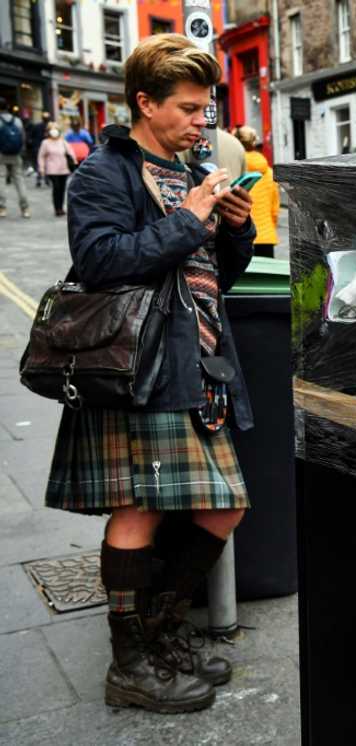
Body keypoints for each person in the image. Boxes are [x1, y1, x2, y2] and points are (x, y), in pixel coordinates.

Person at [45, 33, 257, 714]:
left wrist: (233, 228)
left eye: (208, 109)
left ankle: (161, 633)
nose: (204, 122)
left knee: (225, 504)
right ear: (145, 102)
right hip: (138, 366)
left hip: (196, 359)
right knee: (138, 508)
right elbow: (100, 260)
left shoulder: (191, 172)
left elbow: (211, 276)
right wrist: (191, 220)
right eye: (191, 108)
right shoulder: (103, 174)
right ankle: (131, 663)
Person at [234, 125, 280, 257]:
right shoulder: (270, 172)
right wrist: (270, 227)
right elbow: (275, 209)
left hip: (242, 236)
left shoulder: (237, 169)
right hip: (266, 237)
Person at [37, 123, 77, 216]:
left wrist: (74, 163)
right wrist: (41, 168)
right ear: (48, 131)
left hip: (64, 169)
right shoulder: (45, 143)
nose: (54, 131)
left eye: (56, 129)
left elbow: (71, 153)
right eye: (52, 129)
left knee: (62, 189)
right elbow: (41, 156)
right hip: (52, 170)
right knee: (56, 188)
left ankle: (61, 208)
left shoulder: (63, 142)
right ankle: (57, 208)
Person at [0, 98, 30, 218]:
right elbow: (23, 137)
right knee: (19, 180)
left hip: (1, 154)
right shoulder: (17, 120)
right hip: (16, 154)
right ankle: (25, 208)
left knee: (1, 179)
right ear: (7, 107)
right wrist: (20, 150)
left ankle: (2, 208)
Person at [27, 111, 51, 187]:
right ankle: (46, 179)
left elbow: (30, 136)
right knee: (46, 164)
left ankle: (39, 179)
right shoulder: (50, 127)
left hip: (38, 147)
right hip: (46, 148)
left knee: (39, 164)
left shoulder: (37, 126)